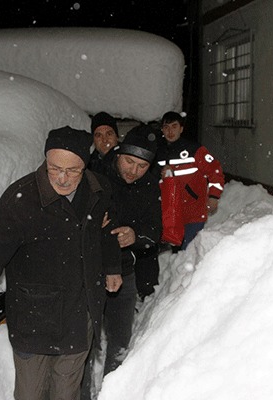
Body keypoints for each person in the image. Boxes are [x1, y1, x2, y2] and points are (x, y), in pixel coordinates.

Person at [0, 126, 123, 400]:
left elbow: (107, 227)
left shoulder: (98, 190)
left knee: (67, 392)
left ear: (86, 165)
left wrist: (112, 266)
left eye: (73, 170)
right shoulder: (21, 199)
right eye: (54, 167)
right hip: (35, 316)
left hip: (82, 312)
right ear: (45, 161)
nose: (62, 177)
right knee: (30, 393)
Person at [82, 124, 162, 399]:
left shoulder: (150, 185)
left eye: (142, 165)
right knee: (83, 343)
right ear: (118, 154)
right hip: (87, 271)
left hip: (125, 272)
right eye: (129, 161)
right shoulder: (94, 175)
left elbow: (155, 231)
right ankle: (81, 392)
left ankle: (110, 391)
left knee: (119, 341)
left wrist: (135, 236)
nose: (133, 170)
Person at [155, 111, 224, 250]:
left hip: (193, 214)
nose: (170, 131)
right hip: (171, 216)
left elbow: (215, 170)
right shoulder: (157, 153)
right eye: (166, 127)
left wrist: (214, 196)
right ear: (162, 129)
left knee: (189, 255)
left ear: (181, 128)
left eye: (174, 126)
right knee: (177, 258)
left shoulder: (195, 150)